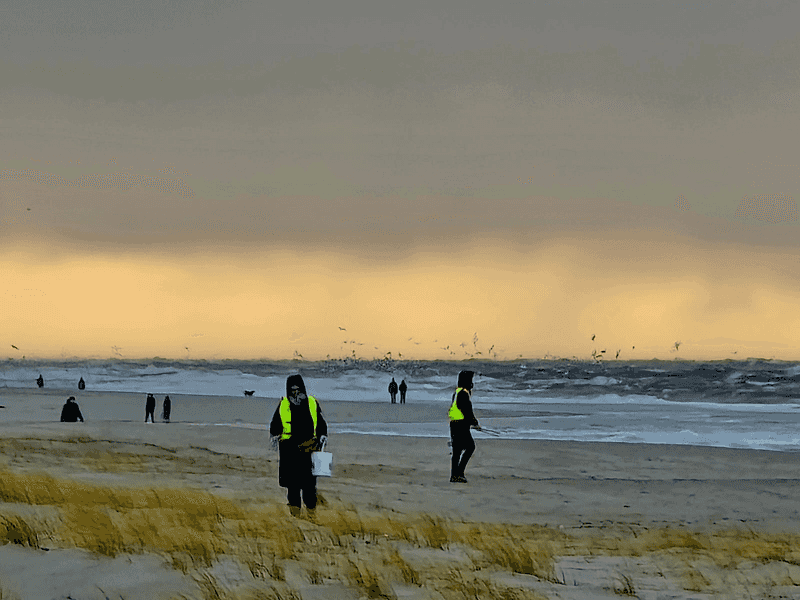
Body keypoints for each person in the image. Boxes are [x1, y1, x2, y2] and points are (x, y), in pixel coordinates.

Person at [269, 374, 328, 516]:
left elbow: (320, 422)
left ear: (303, 388)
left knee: (309, 486)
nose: (295, 392)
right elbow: (275, 424)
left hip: (309, 449)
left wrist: (323, 435)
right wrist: (275, 435)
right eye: (292, 389)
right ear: (288, 390)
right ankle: (295, 516)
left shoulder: (312, 403)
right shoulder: (283, 404)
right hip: (289, 451)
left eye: (298, 389)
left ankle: (311, 513)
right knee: (292, 487)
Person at [448, 370, 481, 483]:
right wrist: (475, 423)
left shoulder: (457, 392)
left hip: (454, 424)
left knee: (457, 451)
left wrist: (472, 422)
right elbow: (467, 411)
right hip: (460, 425)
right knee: (470, 447)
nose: (472, 383)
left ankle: (455, 475)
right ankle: (459, 473)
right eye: (471, 380)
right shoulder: (463, 394)